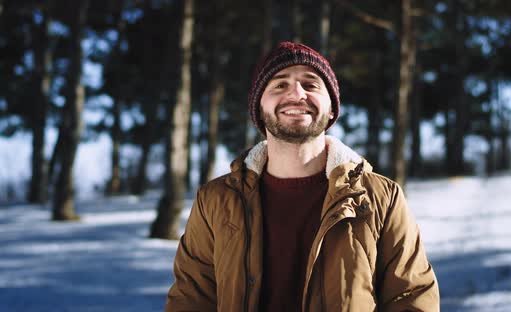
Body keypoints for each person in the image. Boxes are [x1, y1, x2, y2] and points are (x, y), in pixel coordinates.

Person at [165, 42, 439, 312]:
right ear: (259, 108)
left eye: (310, 84)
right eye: (280, 85)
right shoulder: (214, 200)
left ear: (332, 108)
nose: (297, 94)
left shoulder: (381, 198)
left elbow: (411, 297)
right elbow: (190, 300)